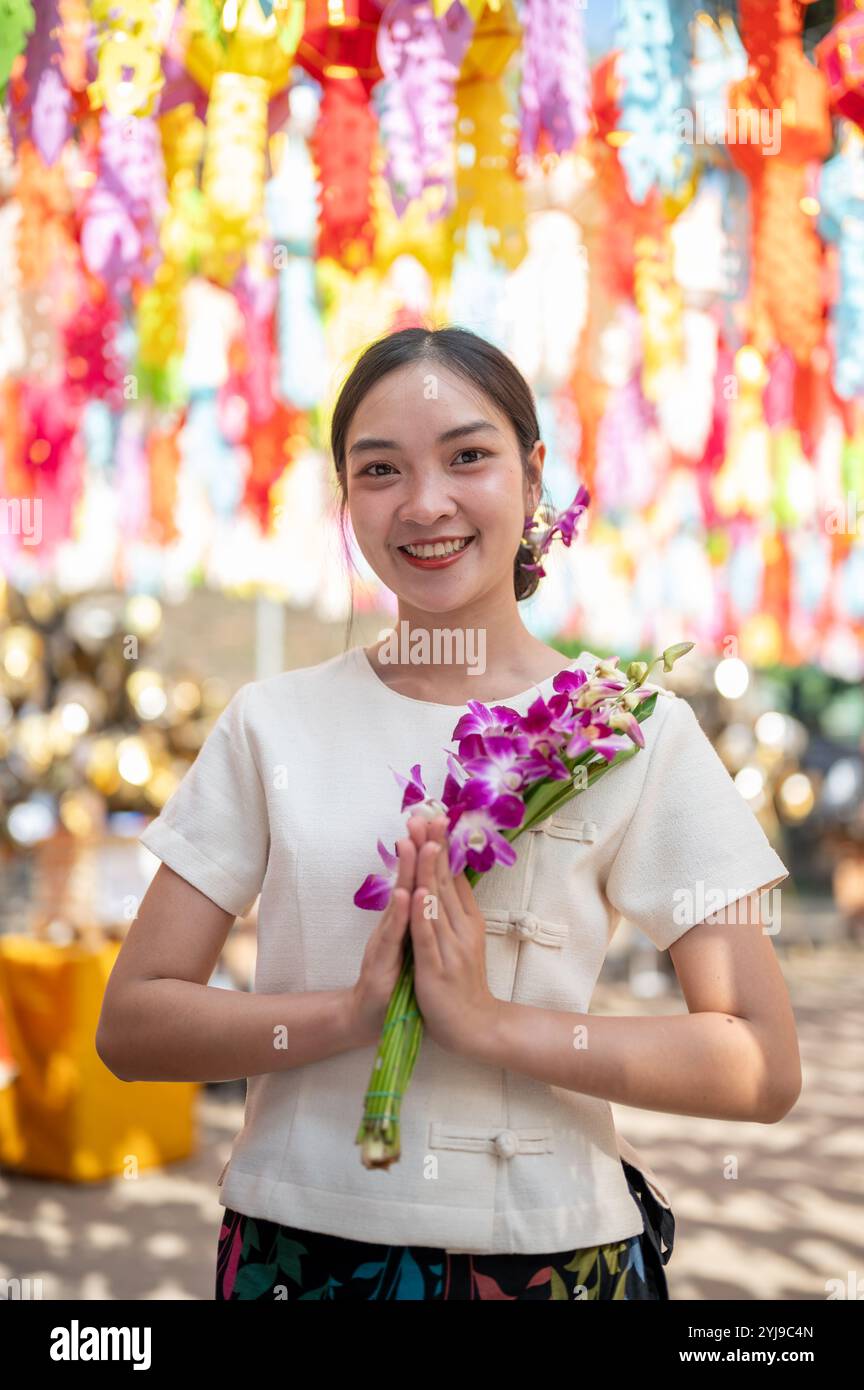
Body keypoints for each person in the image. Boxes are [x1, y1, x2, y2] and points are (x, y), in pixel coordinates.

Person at [96, 326, 801, 1301]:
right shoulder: (273, 724)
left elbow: (761, 1062)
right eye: (380, 469)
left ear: (532, 473)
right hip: (301, 1251)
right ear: (347, 498)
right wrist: (347, 1016)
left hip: (555, 1252)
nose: (425, 503)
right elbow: (132, 1025)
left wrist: (492, 1025)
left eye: (468, 455)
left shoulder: (634, 728)